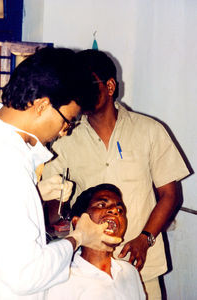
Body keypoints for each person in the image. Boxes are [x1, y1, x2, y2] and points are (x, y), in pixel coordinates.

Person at [42, 49, 190, 299]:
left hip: (142, 263)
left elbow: (170, 195)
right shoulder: (65, 139)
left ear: (109, 86)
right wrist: (60, 217)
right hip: (87, 270)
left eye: (87, 84)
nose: (80, 93)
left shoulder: (149, 131)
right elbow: (50, 204)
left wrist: (145, 239)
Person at [0, 47, 121, 300]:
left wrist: (35, 194)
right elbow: (26, 275)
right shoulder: (8, 164)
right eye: (68, 120)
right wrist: (78, 238)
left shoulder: (8, 152)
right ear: (42, 106)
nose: (65, 131)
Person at [47, 183, 146, 300]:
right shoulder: (65, 279)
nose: (114, 210)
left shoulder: (129, 272)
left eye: (120, 210)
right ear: (77, 222)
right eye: (101, 204)